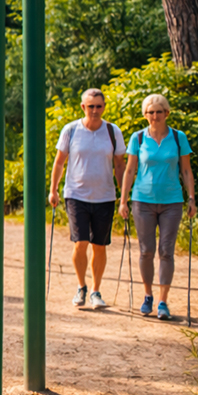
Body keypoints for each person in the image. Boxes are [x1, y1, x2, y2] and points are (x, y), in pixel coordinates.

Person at [119, 94, 197, 320]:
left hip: (172, 201)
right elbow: (130, 170)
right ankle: (148, 295)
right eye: (150, 112)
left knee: (166, 251)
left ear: (166, 113)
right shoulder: (138, 138)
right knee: (146, 250)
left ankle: (163, 301)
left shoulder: (178, 137)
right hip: (142, 201)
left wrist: (191, 198)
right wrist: (123, 200)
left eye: (159, 111)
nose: (154, 116)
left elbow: (186, 170)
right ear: (146, 115)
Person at [48, 89, 126, 310]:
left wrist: (123, 196)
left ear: (103, 107)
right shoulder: (71, 130)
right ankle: (81, 286)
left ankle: (95, 290)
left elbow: (120, 165)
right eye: (90, 106)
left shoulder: (113, 131)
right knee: (80, 242)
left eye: (98, 106)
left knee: (99, 246)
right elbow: (60, 161)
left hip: (105, 196)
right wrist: (53, 190)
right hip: (76, 195)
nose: (94, 110)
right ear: (83, 107)